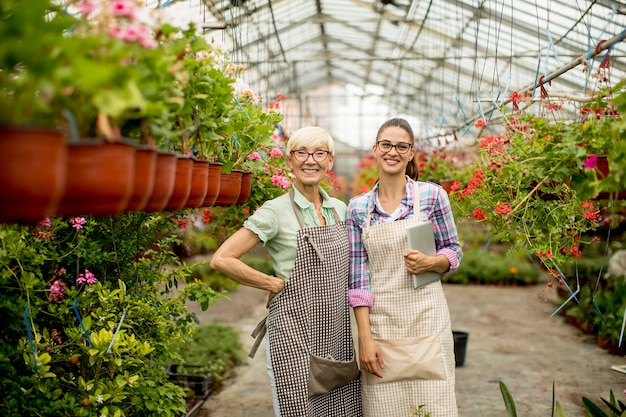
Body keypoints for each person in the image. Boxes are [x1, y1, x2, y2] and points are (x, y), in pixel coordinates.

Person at [210, 126, 362, 417]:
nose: (310, 160)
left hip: (335, 336)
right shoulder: (275, 211)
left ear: (329, 162)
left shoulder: (341, 210)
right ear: (290, 162)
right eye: (301, 153)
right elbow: (222, 259)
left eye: (319, 153)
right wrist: (269, 281)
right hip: (293, 335)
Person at [347, 118, 462, 416]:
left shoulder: (432, 196)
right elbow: (358, 281)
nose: (393, 152)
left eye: (402, 146)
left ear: (411, 153)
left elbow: (453, 251)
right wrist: (365, 339)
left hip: (427, 318)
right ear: (374, 149)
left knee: (434, 404)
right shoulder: (359, 208)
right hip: (381, 323)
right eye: (386, 144)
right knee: (384, 407)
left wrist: (432, 262)